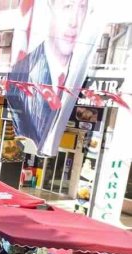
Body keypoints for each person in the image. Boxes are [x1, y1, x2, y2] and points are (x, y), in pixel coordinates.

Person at [5, 0, 88, 151]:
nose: (74, 21)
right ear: (50, 8)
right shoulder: (23, 73)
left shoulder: (79, 73)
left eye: (82, 7)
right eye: (67, 6)